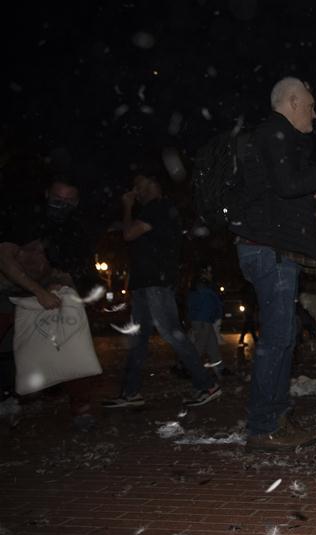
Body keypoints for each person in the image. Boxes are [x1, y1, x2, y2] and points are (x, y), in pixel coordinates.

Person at [229, 77, 316, 451]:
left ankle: (275, 414)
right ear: (292, 101)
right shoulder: (275, 133)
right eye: (309, 105)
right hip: (270, 252)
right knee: (278, 338)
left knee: (283, 335)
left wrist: (314, 189)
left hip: (270, 249)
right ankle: (264, 426)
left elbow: (282, 193)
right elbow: (286, 185)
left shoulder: (273, 138)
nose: (314, 112)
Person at [104, 173, 222, 409]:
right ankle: (131, 392)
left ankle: (207, 384)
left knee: (171, 333)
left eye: (138, 184)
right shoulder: (156, 209)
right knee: (138, 338)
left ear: (153, 184)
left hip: (155, 282)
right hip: (145, 283)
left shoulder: (158, 207)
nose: (135, 190)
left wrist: (127, 207)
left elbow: (129, 234)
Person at [0, 177, 101, 430]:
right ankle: (7, 397)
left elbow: (75, 269)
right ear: (47, 194)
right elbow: (5, 260)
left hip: (44, 293)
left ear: (76, 202)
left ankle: (82, 408)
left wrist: (63, 285)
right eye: (57, 199)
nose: (62, 205)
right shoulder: (21, 216)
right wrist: (37, 291)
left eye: (68, 201)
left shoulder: (74, 229)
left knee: (74, 343)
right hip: (8, 289)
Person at [187, 264, 224, 378]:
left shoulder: (200, 285)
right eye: (209, 272)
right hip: (203, 320)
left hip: (204, 319)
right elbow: (208, 303)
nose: (211, 274)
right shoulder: (202, 285)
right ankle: (189, 368)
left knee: (212, 346)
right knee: (200, 346)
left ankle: (219, 368)